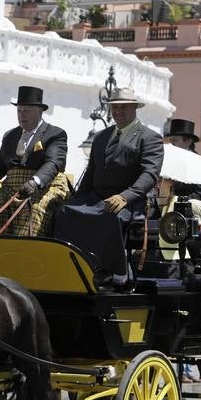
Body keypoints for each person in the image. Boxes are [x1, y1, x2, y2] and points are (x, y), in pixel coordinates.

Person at [54, 87, 164, 283]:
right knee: (64, 211)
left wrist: (125, 197)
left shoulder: (149, 138)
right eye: (114, 108)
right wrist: (77, 198)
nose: (118, 112)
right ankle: (68, 263)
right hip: (95, 197)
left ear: (134, 109)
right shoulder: (101, 137)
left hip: (128, 202)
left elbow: (150, 174)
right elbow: (91, 172)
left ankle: (109, 271)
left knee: (109, 216)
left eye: (123, 108)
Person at [0, 86, 69, 236]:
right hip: (11, 186)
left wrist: (35, 182)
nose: (22, 115)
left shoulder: (55, 134)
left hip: (44, 187)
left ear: (40, 111)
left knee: (33, 208)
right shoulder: (10, 136)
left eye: (27, 111)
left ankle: (23, 251)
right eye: (19, 111)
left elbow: (53, 164)